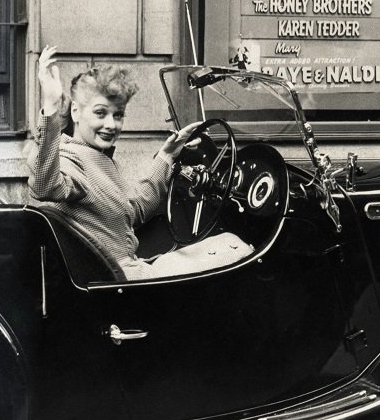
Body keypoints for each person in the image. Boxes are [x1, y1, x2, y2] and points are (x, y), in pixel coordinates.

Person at [27, 45, 251, 280]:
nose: (111, 125)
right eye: (100, 113)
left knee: (228, 244)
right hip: (125, 283)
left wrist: (167, 154)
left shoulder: (98, 158)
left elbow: (133, 210)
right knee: (236, 249)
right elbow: (44, 186)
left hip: (127, 274)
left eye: (118, 115)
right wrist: (50, 107)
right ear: (75, 111)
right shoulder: (69, 156)